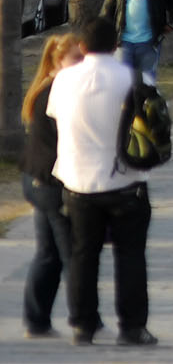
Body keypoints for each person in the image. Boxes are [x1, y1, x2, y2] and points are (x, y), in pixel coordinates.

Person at [47, 20, 155, 346]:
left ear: (83, 46)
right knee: (130, 255)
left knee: (83, 254)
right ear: (115, 45)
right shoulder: (136, 78)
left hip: (78, 181)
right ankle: (132, 327)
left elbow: (56, 116)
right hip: (126, 180)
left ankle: (83, 325)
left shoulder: (64, 80)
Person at [21, 32, 84, 340]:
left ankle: (37, 321)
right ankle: (83, 318)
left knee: (48, 253)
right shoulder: (56, 92)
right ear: (57, 61)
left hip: (36, 179)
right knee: (71, 253)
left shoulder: (46, 87)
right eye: (76, 59)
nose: (82, 64)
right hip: (50, 181)